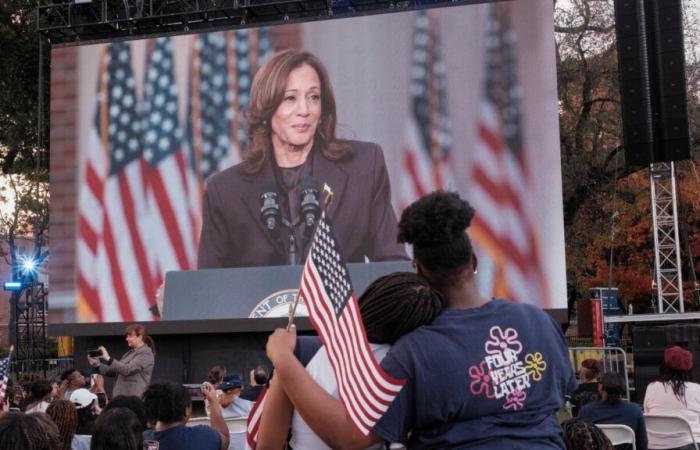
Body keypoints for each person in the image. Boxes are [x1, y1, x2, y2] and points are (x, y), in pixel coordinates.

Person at [266, 190, 578, 449]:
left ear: (419, 270)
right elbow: (561, 401)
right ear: (473, 261)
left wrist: (284, 359)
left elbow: (352, 436)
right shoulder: (538, 322)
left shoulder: (415, 352)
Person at [197, 49, 407, 269]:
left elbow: (392, 261)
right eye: (290, 98)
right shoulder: (225, 190)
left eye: (313, 97)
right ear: (267, 109)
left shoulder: (363, 166)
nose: (304, 110)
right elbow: (211, 287)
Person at [258, 271, 444, 450]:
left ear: (372, 296)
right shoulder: (403, 371)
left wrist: (282, 355)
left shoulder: (298, 352)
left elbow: (268, 445)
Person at [142, 381, 229, 450]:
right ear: (186, 411)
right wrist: (213, 401)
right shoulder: (203, 436)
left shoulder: (141, 439)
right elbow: (224, 440)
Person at [644, 346, 700, 449]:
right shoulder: (697, 389)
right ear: (688, 369)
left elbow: (647, 414)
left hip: (655, 447)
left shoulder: (651, 387)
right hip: (689, 445)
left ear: (664, 366)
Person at [579, 373, 648, 450]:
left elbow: (580, 441)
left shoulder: (586, 411)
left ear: (600, 387)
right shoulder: (635, 410)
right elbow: (642, 443)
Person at [88, 324, 155, 397]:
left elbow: (127, 370)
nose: (127, 339)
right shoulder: (128, 354)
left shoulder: (146, 353)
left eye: (130, 336)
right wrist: (97, 364)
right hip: (121, 398)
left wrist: (108, 358)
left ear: (140, 337)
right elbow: (115, 371)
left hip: (133, 399)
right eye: (127, 336)